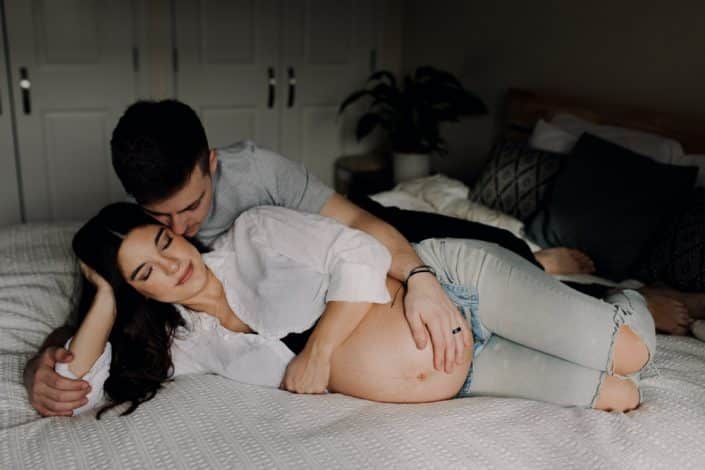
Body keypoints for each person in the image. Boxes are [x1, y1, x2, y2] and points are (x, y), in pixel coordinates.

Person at [23, 99, 692, 417]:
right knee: (618, 392)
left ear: (213, 166)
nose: (177, 235)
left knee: (498, 246)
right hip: (454, 366)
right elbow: (101, 336)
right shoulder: (171, 295)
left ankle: (607, 290)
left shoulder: (257, 197)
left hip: (401, 252)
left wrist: (422, 281)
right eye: (158, 224)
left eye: (186, 217)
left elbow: (359, 232)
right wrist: (92, 313)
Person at [58, 203, 655, 417]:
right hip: (468, 374)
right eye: (144, 274)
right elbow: (77, 383)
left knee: (637, 352)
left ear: (175, 232)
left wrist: (317, 353)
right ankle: (585, 310)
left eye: (163, 244)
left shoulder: (254, 235)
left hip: (455, 286)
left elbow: (363, 252)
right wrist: (105, 296)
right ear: (137, 292)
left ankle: (623, 296)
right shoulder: (189, 343)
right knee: (621, 396)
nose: (171, 266)